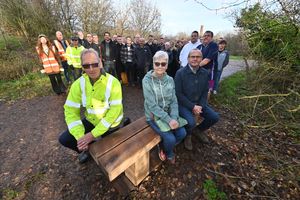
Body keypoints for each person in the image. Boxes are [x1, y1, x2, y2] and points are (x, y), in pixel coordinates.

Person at [59, 48, 123, 163]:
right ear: (82, 66)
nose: (91, 69)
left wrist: (92, 135)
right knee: (65, 139)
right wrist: (80, 137)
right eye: (87, 65)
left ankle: (98, 146)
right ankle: (90, 149)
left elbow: (114, 111)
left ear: (100, 62)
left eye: (94, 64)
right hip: (92, 121)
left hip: (111, 124)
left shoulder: (113, 82)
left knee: (112, 158)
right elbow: (70, 111)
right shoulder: (77, 85)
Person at [143, 51, 187, 164]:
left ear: (167, 65)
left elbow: (173, 101)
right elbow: (151, 105)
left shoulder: (170, 80)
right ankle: (168, 152)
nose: (160, 66)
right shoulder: (146, 80)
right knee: (170, 138)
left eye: (163, 64)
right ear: (153, 64)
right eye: (157, 63)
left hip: (168, 114)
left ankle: (163, 146)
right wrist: (169, 120)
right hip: (153, 117)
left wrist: (174, 117)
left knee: (182, 133)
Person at [175, 49, 219, 150]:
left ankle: (198, 130)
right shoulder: (180, 73)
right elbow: (178, 94)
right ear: (188, 59)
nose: (195, 59)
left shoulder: (204, 73)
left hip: (199, 104)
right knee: (191, 122)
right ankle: (188, 135)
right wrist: (192, 106)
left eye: (198, 57)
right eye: (192, 56)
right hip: (183, 104)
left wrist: (201, 106)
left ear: (201, 59)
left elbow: (205, 91)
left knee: (214, 117)